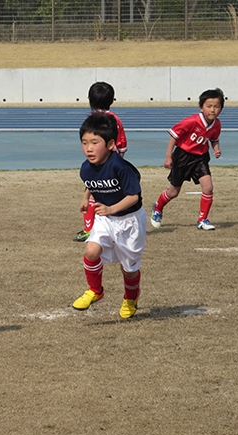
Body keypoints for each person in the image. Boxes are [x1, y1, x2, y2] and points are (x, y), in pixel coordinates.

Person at [72, 112, 147, 319]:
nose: (88, 148)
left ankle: (131, 298)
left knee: (129, 269)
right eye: (84, 142)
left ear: (111, 144)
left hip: (130, 222)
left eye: (95, 142)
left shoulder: (121, 167)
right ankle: (96, 291)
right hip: (105, 220)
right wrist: (86, 197)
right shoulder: (86, 168)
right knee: (91, 250)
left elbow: (133, 196)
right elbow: (92, 183)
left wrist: (112, 209)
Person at [150, 88, 224, 231]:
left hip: (200, 158)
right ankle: (158, 207)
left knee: (208, 187)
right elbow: (174, 136)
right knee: (174, 192)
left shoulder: (217, 124)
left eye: (217, 106)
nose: (213, 110)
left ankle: (203, 220)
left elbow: (214, 139)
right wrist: (168, 156)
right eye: (209, 106)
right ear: (201, 107)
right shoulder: (192, 121)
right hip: (183, 156)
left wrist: (216, 149)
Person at [73, 81, 128, 242]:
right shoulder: (115, 119)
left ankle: (90, 228)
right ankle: (100, 228)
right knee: (105, 191)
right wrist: (120, 159)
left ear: (89, 99)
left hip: (99, 163)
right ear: (112, 100)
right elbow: (122, 143)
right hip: (113, 161)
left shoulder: (92, 119)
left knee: (93, 191)